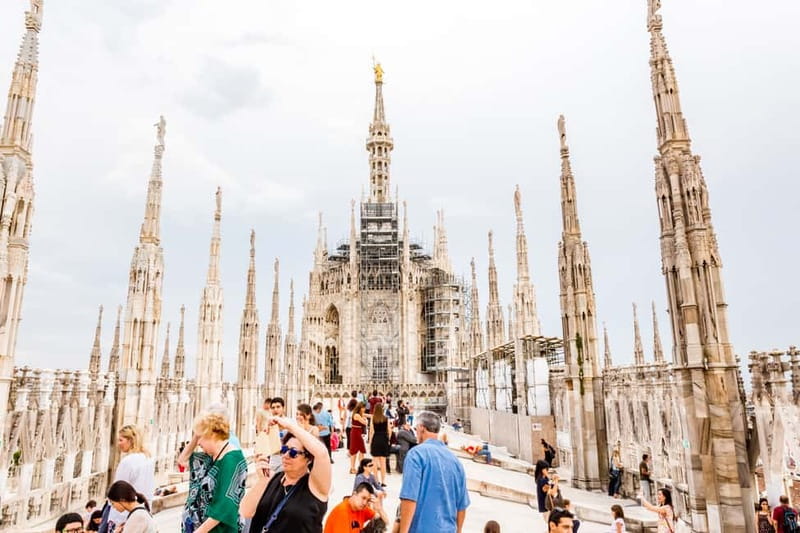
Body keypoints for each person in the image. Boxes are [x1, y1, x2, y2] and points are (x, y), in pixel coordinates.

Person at [240, 416, 332, 532]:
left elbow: (322, 453)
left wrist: (290, 426)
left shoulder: (315, 486)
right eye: (284, 449)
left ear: (308, 459)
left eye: (293, 452)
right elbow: (245, 511)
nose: (286, 455)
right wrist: (262, 481)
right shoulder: (273, 479)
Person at [398, 411, 470, 533]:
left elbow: (409, 498)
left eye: (416, 429)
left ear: (421, 428)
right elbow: (461, 505)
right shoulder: (455, 461)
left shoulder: (416, 455)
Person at [181, 412, 248, 532]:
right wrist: (196, 436)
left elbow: (224, 506)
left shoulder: (231, 460)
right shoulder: (210, 457)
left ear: (211, 434)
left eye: (200, 437)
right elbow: (182, 460)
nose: (198, 443)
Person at [105, 425, 155, 531]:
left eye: (121, 440)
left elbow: (117, 489)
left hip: (123, 513)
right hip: (143, 509)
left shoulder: (128, 461)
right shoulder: (148, 458)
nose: (118, 444)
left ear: (130, 440)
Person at [324, 482, 389, 533]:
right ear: (354, 494)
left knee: (379, 522)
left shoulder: (362, 508)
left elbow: (385, 522)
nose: (365, 503)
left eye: (368, 500)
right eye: (363, 498)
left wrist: (379, 509)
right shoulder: (343, 512)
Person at [369, 403, 391, 486]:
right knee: (383, 462)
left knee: (374, 462)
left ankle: (376, 480)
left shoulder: (373, 419)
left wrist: (370, 443)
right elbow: (389, 430)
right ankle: (383, 481)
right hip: (384, 439)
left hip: (376, 439)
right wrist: (388, 439)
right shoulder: (386, 418)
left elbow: (371, 432)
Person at [349, 402, 368, 474]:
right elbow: (365, 423)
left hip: (357, 432)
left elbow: (368, 416)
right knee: (355, 451)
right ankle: (353, 468)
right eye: (363, 407)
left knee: (360, 450)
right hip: (356, 433)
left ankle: (359, 467)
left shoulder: (359, 414)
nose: (364, 409)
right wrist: (365, 419)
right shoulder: (357, 415)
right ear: (360, 408)